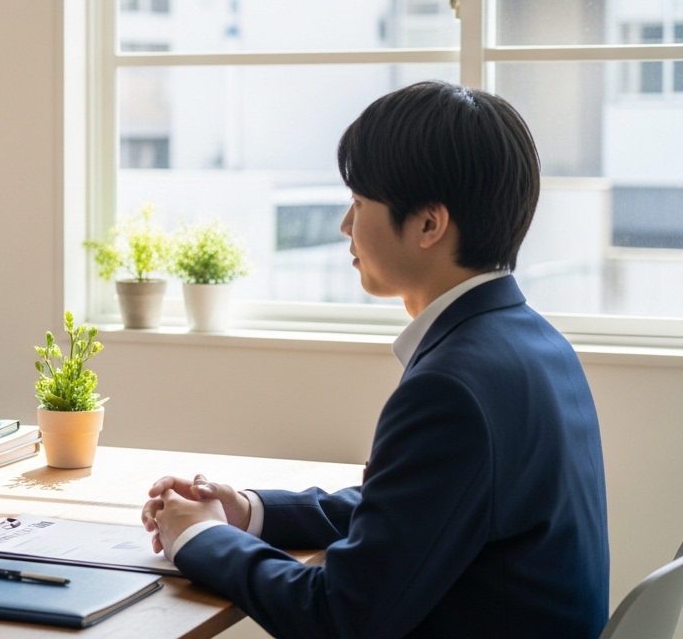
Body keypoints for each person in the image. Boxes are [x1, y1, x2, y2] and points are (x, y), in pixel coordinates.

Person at [142, 81, 609, 637]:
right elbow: (412, 507)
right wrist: (248, 511)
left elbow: (340, 615)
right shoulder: (535, 345)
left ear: (429, 225)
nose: (345, 225)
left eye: (360, 203)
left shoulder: (451, 389)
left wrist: (199, 537)